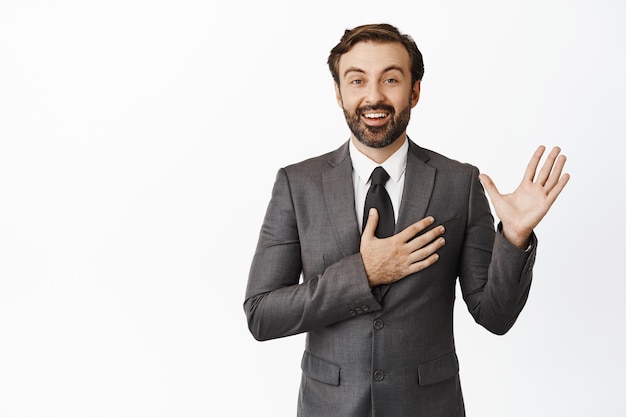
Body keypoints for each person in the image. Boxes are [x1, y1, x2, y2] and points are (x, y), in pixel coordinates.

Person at [244, 23, 569, 417]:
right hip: (329, 406)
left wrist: (514, 237)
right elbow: (262, 314)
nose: (374, 96)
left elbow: (494, 316)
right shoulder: (298, 184)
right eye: (357, 80)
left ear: (414, 91)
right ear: (339, 92)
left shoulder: (459, 183)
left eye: (391, 79)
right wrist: (363, 273)